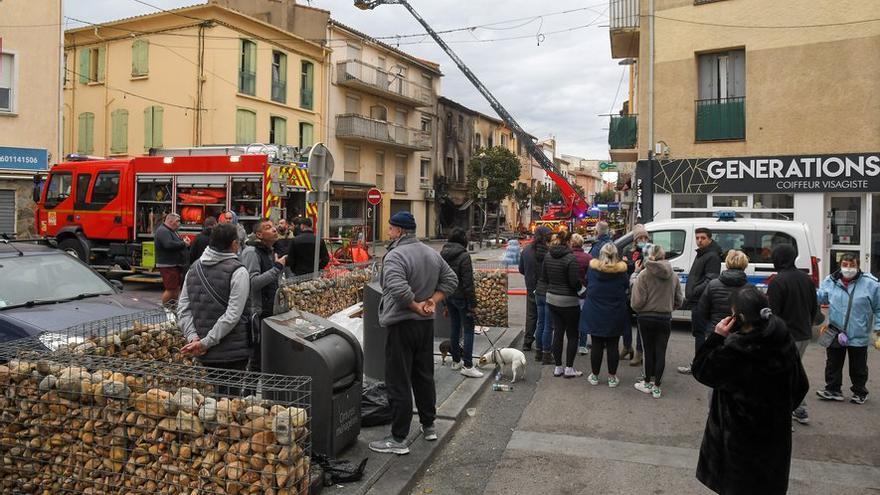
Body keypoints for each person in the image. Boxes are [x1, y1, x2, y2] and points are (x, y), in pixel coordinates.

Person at [692, 286, 808, 495]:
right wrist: (778, 410)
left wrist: (717, 337)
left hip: (739, 443)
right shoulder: (782, 337)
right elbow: (801, 386)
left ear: (739, 317)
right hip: (775, 440)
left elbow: (701, 370)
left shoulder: (736, 351)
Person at [369, 212, 458, 455]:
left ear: (399, 231)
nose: (388, 232)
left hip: (402, 324)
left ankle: (398, 438)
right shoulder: (431, 252)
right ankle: (429, 426)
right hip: (424, 325)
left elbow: (397, 288)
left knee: (398, 380)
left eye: (390, 229)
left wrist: (415, 305)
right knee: (424, 375)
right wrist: (432, 301)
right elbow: (451, 280)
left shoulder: (395, 255)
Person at [178, 223, 252, 375]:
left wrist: (193, 339)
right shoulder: (238, 271)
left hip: (203, 352)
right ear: (234, 244)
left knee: (211, 396)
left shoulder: (193, 268)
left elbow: (183, 308)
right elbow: (232, 315)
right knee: (230, 396)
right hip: (232, 352)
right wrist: (205, 343)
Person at [815, 253, 880, 404]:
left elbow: (878, 308)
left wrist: (878, 329)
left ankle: (859, 391)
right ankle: (833, 390)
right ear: (840, 265)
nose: (848, 268)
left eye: (852, 265)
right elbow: (821, 298)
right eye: (845, 264)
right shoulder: (831, 281)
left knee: (858, 366)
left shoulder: (871, 284)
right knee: (833, 363)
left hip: (858, 332)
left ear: (858, 266)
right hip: (835, 331)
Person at [767, 243, 819, 422]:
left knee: (783, 374)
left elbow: (773, 314)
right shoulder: (806, 279)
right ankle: (799, 409)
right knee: (793, 370)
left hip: (785, 336)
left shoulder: (777, 281)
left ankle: (788, 413)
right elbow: (815, 308)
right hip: (804, 334)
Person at [630, 244, 683, 399]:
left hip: (646, 317)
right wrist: (669, 307)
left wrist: (640, 309)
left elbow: (636, 302)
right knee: (661, 351)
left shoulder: (644, 274)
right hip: (665, 317)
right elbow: (679, 299)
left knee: (648, 350)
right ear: (663, 256)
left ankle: (647, 382)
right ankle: (657, 386)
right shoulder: (672, 275)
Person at [241, 219, 287, 372]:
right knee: (256, 358)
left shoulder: (269, 251)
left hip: (269, 312)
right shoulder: (251, 252)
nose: (274, 229)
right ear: (259, 234)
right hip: (257, 314)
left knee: (265, 357)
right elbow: (253, 283)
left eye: (274, 226)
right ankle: (250, 394)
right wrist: (277, 268)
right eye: (268, 227)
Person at [581, 243, 629, 387]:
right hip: (615, 312)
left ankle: (595, 376)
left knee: (596, 344)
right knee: (613, 345)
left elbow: (587, 282)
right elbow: (626, 286)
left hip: (595, 311)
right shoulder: (621, 272)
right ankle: (612, 378)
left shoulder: (593, 269)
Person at [542, 230, 587, 378]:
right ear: (568, 242)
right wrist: (582, 290)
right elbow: (574, 282)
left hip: (552, 299)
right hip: (569, 301)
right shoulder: (570, 258)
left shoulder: (548, 256)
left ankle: (558, 367)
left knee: (558, 333)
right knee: (573, 335)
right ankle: (569, 368)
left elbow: (544, 277)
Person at [678, 227, 722, 375]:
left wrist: (694, 291)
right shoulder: (703, 254)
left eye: (702, 238)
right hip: (698, 301)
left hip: (702, 302)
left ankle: (699, 366)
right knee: (700, 334)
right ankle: (700, 364)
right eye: (697, 238)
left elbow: (711, 279)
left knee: (700, 334)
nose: (699, 241)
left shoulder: (712, 256)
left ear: (709, 239)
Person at [440, 228, 483, 378]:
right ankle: (468, 365)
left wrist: (444, 303)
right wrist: (472, 304)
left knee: (454, 328)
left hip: (448, 296)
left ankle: (456, 361)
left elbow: (441, 279)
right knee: (469, 329)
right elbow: (468, 282)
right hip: (462, 298)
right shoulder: (464, 256)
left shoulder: (443, 254)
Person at [696, 250, 750, 335]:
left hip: (716, 330)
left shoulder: (713, 284)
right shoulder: (750, 289)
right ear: (744, 265)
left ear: (727, 263)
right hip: (740, 334)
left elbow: (702, 310)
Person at [622, 224, 649, 365]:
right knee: (625, 320)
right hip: (627, 288)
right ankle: (627, 346)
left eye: (645, 237)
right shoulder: (628, 249)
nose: (642, 240)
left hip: (642, 289)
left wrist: (630, 265)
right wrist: (631, 265)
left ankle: (639, 352)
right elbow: (624, 266)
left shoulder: (649, 250)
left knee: (640, 322)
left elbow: (647, 266)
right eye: (640, 237)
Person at [154, 212, 191, 306]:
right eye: (177, 221)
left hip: (174, 265)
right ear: (170, 221)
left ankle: (172, 307)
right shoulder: (163, 231)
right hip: (168, 265)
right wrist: (184, 243)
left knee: (176, 288)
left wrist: (182, 242)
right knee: (171, 289)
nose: (179, 223)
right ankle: (166, 309)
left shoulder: (172, 231)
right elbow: (168, 244)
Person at [532, 227, 554, 365]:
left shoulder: (531, 251)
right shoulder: (549, 255)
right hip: (548, 292)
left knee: (540, 323)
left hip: (538, 291)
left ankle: (538, 352)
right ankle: (547, 354)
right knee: (548, 325)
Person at [518, 230, 542, 352]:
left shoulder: (526, 250)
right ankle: (542, 344)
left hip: (531, 286)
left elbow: (521, 269)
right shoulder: (547, 251)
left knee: (531, 315)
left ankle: (527, 342)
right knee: (544, 317)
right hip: (545, 288)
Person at [570, 234, 592, 355]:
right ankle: (582, 345)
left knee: (571, 320)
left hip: (569, 292)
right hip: (583, 293)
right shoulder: (588, 257)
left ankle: (572, 342)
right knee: (582, 320)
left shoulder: (568, 256)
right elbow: (591, 275)